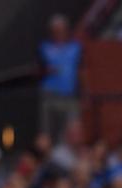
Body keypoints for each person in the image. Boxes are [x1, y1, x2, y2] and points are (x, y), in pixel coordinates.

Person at [39, 14, 82, 143]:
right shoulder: (44, 47)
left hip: (70, 95)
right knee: (48, 129)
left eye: (62, 30)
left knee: (71, 128)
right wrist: (46, 71)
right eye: (56, 31)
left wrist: (83, 92)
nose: (59, 33)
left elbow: (82, 70)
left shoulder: (76, 47)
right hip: (50, 95)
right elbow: (37, 69)